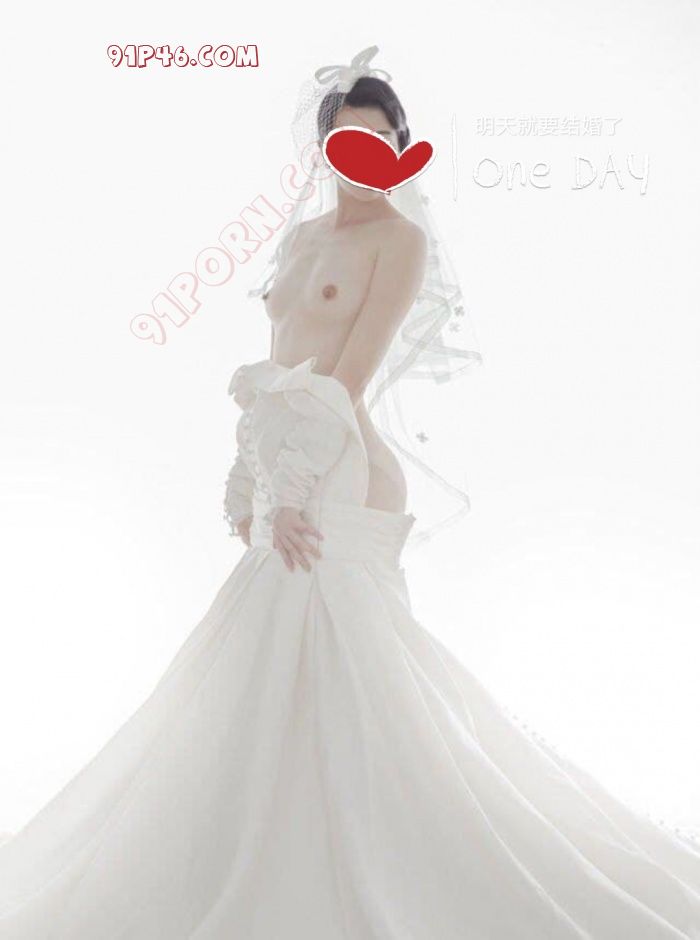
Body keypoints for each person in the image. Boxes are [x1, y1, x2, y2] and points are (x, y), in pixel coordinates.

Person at [1, 48, 699, 940]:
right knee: (271, 668)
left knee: (348, 666)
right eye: (346, 143)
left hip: (341, 464)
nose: (362, 162)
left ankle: (388, 858)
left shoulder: (399, 242)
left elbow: (346, 377)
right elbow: (279, 366)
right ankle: (280, 853)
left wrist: (293, 481)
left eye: (379, 144)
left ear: (401, 150)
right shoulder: (300, 240)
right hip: (288, 457)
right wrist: (251, 476)